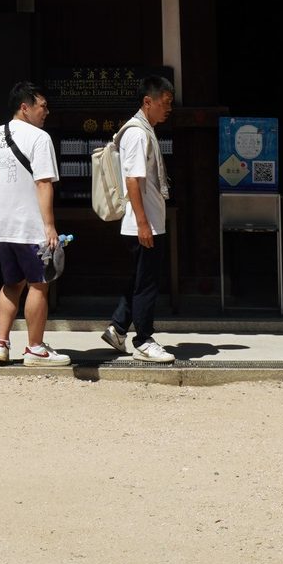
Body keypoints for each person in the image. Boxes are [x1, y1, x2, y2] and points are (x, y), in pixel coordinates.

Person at [0, 80, 70, 366]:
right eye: (42, 106)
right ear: (25, 107)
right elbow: (44, 183)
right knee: (39, 284)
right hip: (29, 224)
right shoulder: (39, 138)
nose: (47, 112)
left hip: (1, 224)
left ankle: (1, 343)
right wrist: (50, 226)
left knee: (11, 283)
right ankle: (35, 348)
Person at [99, 72, 175, 363]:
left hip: (147, 221)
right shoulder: (137, 133)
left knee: (139, 280)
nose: (168, 108)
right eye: (164, 102)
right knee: (147, 283)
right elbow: (132, 181)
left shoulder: (145, 130)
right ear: (148, 101)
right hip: (144, 223)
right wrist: (144, 224)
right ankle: (143, 339)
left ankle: (118, 329)